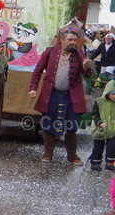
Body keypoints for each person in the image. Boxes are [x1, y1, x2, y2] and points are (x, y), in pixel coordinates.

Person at [29, 29, 94, 163]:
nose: (73, 42)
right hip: (52, 94)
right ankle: (48, 153)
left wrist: (87, 67)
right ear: (62, 40)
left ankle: (72, 155)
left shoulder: (80, 54)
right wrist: (33, 88)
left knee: (72, 126)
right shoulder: (50, 52)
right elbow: (38, 71)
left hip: (72, 96)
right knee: (48, 125)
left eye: (75, 40)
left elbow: (87, 75)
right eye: (70, 40)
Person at [89, 80, 115, 171]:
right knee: (98, 146)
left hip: (113, 129)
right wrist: (99, 122)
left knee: (112, 146)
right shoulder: (99, 102)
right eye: (113, 94)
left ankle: (109, 162)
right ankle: (95, 162)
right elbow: (95, 114)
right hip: (100, 128)